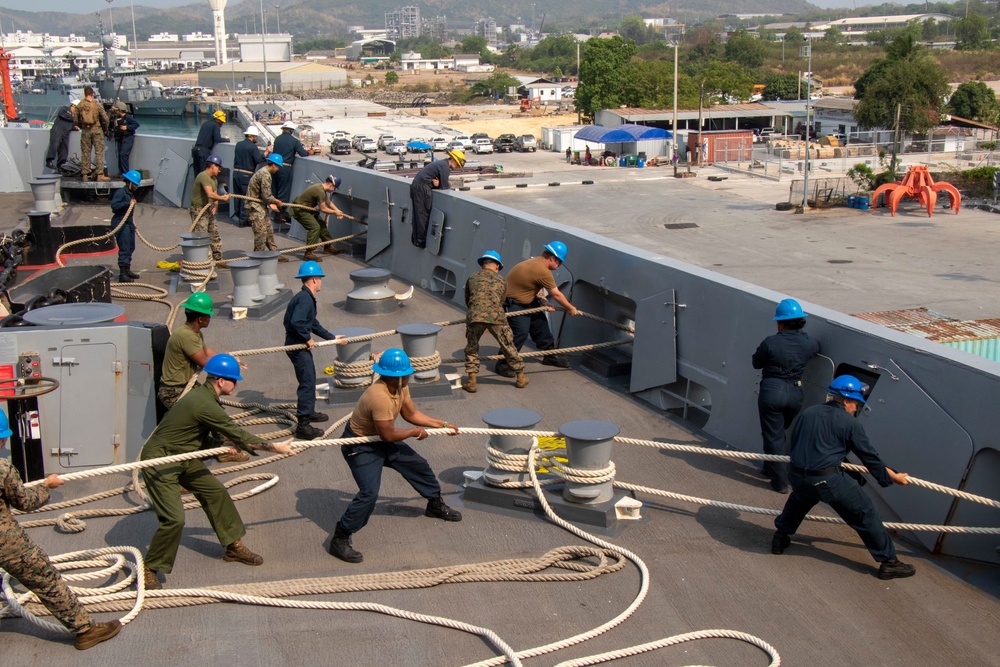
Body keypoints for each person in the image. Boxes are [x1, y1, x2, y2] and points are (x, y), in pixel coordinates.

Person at [140, 354, 296, 590]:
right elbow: (238, 434)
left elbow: (194, 437)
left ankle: (233, 546)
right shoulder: (205, 404)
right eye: (235, 380)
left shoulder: (205, 398)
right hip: (161, 460)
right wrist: (274, 447)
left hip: (184, 455)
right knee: (174, 519)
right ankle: (150, 567)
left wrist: (219, 448)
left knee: (216, 493)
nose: (237, 384)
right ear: (221, 381)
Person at [771, 375, 916, 580]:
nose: (856, 409)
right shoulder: (850, 423)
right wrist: (892, 478)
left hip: (797, 474)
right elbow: (869, 456)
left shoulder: (809, 412)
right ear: (847, 400)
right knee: (865, 513)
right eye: (856, 403)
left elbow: (800, 442)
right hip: (828, 480)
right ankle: (889, 562)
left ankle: (780, 537)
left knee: (801, 498)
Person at [0, 412, 122, 649]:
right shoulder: (3, 468)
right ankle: (85, 630)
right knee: (44, 576)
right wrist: (47, 486)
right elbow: (25, 502)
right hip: (7, 543)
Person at [329, 348, 462, 564]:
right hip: (361, 445)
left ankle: (434, 504)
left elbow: (410, 414)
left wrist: (443, 424)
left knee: (418, 465)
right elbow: (388, 434)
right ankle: (340, 536)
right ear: (395, 377)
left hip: (381, 438)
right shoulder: (380, 397)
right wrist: (412, 432)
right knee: (369, 493)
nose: (409, 376)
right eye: (406, 374)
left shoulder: (400, 387)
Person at [751, 298, 821, 494]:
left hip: (773, 391)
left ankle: (780, 482)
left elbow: (756, 363)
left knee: (774, 435)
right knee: (778, 433)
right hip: (796, 394)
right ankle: (769, 466)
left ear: (780, 322)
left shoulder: (771, 342)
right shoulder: (811, 343)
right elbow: (815, 349)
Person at [495, 241, 578, 378]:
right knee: (519, 332)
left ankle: (549, 355)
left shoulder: (536, 263)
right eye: (560, 262)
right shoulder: (542, 270)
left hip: (528, 300)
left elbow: (533, 287)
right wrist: (571, 308)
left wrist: (543, 302)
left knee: (541, 326)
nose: (560, 265)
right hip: (514, 303)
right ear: (552, 258)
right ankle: (502, 363)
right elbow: (556, 294)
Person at [283, 260, 341, 440]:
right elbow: (297, 322)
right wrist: (307, 339)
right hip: (297, 345)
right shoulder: (305, 299)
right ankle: (303, 425)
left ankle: (309, 412)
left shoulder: (304, 297)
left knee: (309, 378)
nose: (321, 282)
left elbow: (312, 323)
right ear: (314, 279)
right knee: (307, 382)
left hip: (297, 343)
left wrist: (331, 337)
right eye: (320, 278)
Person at [462, 250, 527, 392]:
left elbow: (468, 299)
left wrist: (478, 313)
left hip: (475, 316)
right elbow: (502, 300)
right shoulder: (502, 280)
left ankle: (472, 381)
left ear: (482, 265)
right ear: (497, 266)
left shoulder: (472, 277)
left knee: (472, 348)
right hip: (496, 317)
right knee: (508, 345)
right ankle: (521, 377)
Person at [409, 149, 464, 248]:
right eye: (458, 165)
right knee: (423, 215)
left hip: (417, 186)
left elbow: (440, 183)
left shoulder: (441, 163)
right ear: (454, 160)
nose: (456, 168)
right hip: (422, 188)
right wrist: (446, 184)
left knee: (418, 214)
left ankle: (417, 239)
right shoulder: (445, 167)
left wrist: (439, 183)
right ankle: (422, 241)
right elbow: (444, 186)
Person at [291, 174, 345, 261]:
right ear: (331, 184)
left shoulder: (321, 189)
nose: (334, 190)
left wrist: (338, 210)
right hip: (300, 210)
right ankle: (309, 253)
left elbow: (328, 202)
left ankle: (328, 246)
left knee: (322, 226)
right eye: (335, 188)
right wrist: (335, 212)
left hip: (308, 210)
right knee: (315, 227)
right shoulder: (320, 191)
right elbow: (323, 209)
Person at [189, 154, 230, 267]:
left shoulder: (214, 180)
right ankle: (203, 261)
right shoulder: (203, 176)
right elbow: (209, 193)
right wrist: (222, 198)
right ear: (212, 166)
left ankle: (218, 259)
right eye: (218, 167)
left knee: (214, 234)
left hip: (208, 209)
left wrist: (216, 205)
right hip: (199, 210)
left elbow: (214, 194)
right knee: (201, 236)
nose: (219, 170)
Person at [245, 153, 287, 259]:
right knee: (261, 233)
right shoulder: (266, 174)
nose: (278, 169)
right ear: (273, 165)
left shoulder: (263, 171)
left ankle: (274, 253)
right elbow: (267, 196)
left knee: (268, 230)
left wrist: (271, 203)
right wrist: (277, 202)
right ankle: (257, 257)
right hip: (254, 207)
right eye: (278, 166)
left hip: (260, 206)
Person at [271, 121, 309, 224]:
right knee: (283, 192)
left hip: (274, 167)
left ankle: (273, 212)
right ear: (292, 131)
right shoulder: (294, 141)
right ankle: (280, 215)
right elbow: (303, 154)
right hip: (285, 168)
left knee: (274, 189)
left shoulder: (277, 139)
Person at [232, 125, 268, 227]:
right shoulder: (252, 147)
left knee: (237, 195)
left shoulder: (239, 144)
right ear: (252, 136)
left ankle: (238, 215)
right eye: (256, 137)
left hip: (236, 173)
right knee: (245, 197)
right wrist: (266, 153)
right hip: (246, 174)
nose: (256, 139)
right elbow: (259, 160)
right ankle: (243, 220)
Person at [110, 169, 142, 283]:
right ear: (130, 183)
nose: (137, 187)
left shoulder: (130, 194)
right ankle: (122, 274)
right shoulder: (120, 192)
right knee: (125, 248)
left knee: (131, 247)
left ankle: (127, 269)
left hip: (128, 223)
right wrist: (127, 204)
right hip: (120, 222)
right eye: (136, 185)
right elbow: (114, 205)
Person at [73, 86, 110, 182]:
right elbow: (105, 119)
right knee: (99, 153)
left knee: (85, 153)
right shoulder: (97, 105)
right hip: (97, 130)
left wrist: (81, 126)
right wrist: (105, 129)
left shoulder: (80, 105)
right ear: (92, 94)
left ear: (84, 94)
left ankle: (85, 175)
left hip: (85, 131)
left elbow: (75, 119)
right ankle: (99, 175)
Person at [192, 110, 228, 175]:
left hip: (195, 150)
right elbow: (218, 139)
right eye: (221, 122)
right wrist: (226, 140)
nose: (221, 124)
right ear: (217, 120)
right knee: (204, 174)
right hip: (203, 152)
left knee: (197, 174)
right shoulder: (215, 125)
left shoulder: (205, 123)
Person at [45, 99, 77, 172]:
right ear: (72, 106)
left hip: (66, 133)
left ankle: (61, 165)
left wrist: (75, 127)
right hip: (58, 130)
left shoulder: (74, 118)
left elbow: (71, 125)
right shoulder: (64, 109)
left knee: (64, 149)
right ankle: (49, 160)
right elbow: (62, 115)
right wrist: (74, 118)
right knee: (55, 144)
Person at [112, 101, 140, 175]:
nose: (115, 111)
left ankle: (125, 173)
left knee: (123, 154)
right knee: (120, 156)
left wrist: (127, 127)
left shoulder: (128, 117)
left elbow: (136, 124)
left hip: (127, 138)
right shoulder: (117, 118)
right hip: (120, 138)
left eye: (116, 110)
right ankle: (121, 172)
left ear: (120, 110)